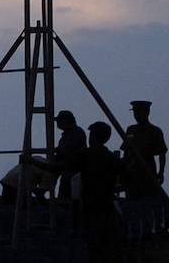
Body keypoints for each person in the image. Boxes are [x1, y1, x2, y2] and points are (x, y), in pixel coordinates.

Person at [71, 122, 125, 263]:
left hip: (90, 208)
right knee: (106, 247)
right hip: (107, 208)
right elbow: (128, 180)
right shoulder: (112, 158)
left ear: (92, 136)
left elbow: (58, 168)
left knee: (91, 247)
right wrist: (110, 189)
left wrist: (32, 161)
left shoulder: (84, 154)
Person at [122, 100, 167, 200]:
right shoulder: (131, 130)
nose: (136, 115)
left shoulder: (154, 131)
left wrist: (161, 172)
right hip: (131, 173)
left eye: (139, 112)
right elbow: (126, 151)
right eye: (135, 112)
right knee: (131, 201)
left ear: (146, 113)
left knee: (148, 200)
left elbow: (162, 153)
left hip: (147, 172)